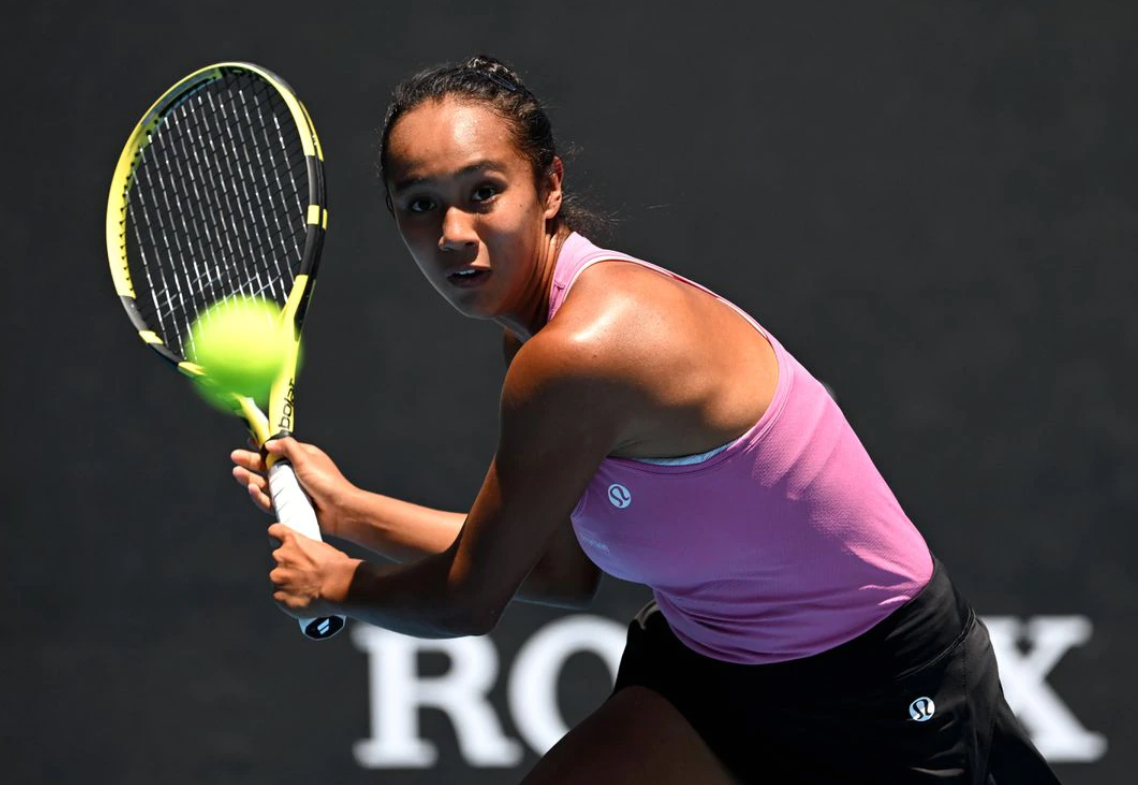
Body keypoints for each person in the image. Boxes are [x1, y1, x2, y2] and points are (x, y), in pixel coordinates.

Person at [231, 55, 1060, 784]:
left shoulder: (580, 351)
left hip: (878, 687)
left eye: (484, 192)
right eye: (420, 205)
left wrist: (338, 583)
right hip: (712, 669)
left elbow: (469, 599)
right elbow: (558, 570)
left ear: (548, 187)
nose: (453, 234)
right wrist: (346, 511)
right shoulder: (535, 335)